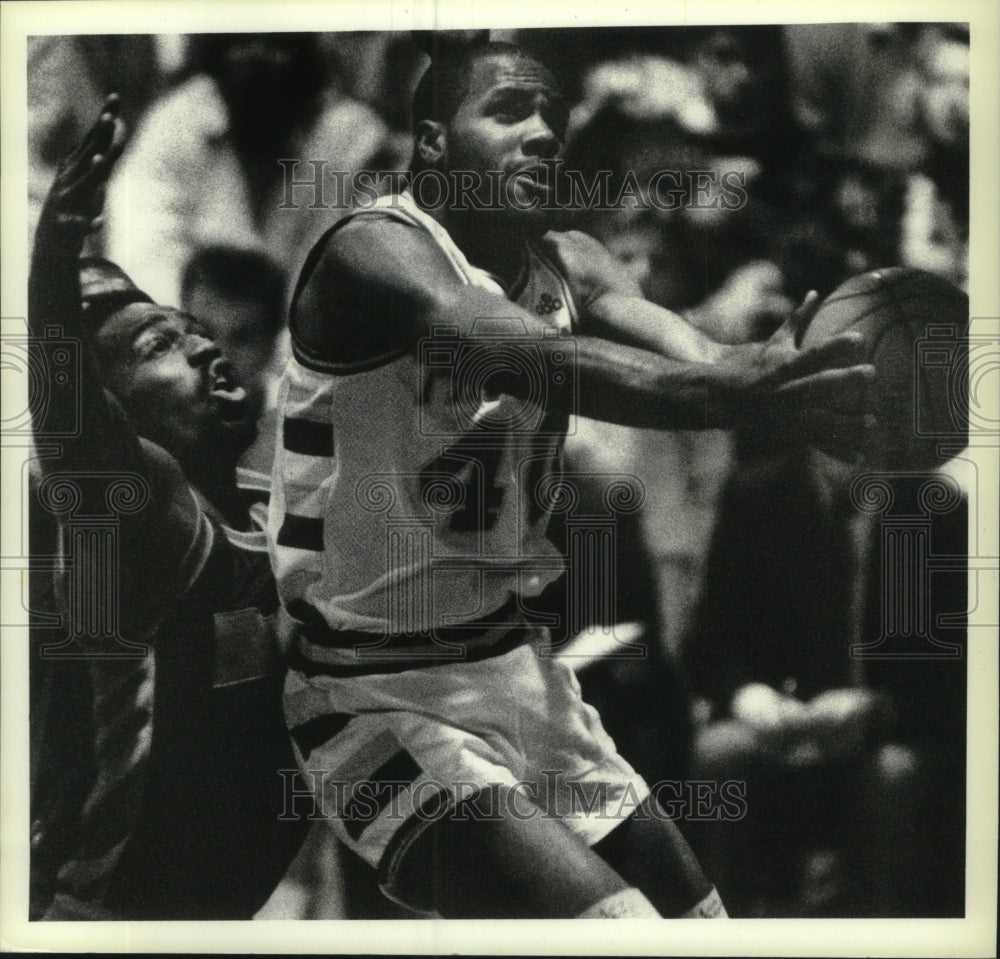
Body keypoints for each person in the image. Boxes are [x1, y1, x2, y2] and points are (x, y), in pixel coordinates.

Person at [268, 40, 875, 920]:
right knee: (613, 931)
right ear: (433, 140)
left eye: (551, 114)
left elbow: (708, 359)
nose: (543, 132)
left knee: (704, 927)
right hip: (366, 692)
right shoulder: (372, 255)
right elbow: (545, 362)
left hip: (518, 672)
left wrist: (794, 376)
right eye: (511, 111)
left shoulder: (575, 261)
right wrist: (733, 391)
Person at [29, 95, 309, 920]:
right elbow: (74, 426)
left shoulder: (278, 506)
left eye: (190, 328)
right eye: (158, 345)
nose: (200, 345)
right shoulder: (142, 512)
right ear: (115, 412)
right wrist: (53, 259)